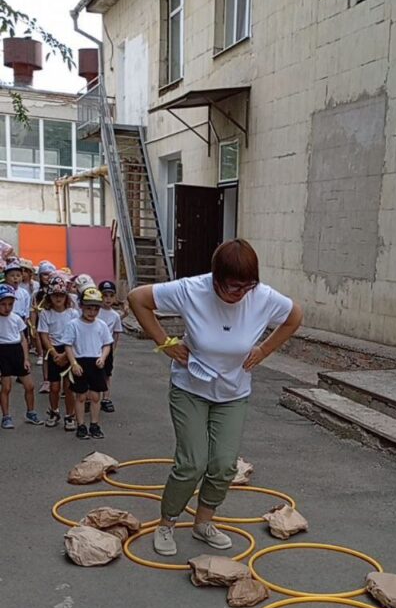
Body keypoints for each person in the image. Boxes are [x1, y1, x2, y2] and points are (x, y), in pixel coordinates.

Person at [128, 238, 303, 556]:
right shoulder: (190, 290)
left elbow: (295, 317)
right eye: (234, 287)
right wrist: (164, 341)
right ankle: (167, 524)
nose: (241, 294)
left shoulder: (261, 297)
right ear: (216, 280)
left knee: (223, 465)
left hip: (233, 393)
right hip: (190, 388)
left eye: (247, 286)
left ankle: (203, 523)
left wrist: (264, 349)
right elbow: (137, 299)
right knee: (192, 463)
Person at [64, 287, 113, 440]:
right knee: (80, 396)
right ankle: (81, 425)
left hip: (96, 362)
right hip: (80, 362)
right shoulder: (73, 324)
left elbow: (107, 344)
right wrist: (73, 363)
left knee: (95, 396)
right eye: (88, 308)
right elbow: (68, 345)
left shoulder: (101, 325)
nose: (92, 312)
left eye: (95, 308)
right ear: (81, 307)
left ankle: (94, 424)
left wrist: (103, 358)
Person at [37, 274, 78, 430]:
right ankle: (54, 412)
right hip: (53, 350)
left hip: (69, 350)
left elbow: (76, 335)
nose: (58, 298)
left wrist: (67, 355)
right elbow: (44, 335)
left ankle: (70, 415)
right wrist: (53, 353)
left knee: (69, 387)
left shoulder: (73, 314)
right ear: (50, 297)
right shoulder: (45, 314)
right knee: (54, 387)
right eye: (55, 295)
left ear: (66, 296)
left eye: (61, 295)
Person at [0, 283, 43, 429]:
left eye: (10, 304)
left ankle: (31, 412)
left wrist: (25, 358)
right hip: (2, 352)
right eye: (3, 304)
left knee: (29, 386)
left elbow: (23, 339)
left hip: (16, 351)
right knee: (6, 387)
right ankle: (6, 416)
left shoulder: (16, 318)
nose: (7, 307)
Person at [97, 280, 123, 413]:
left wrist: (113, 350)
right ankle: (91, 398)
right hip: (93, 347)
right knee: (93, 372)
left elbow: (116, 334)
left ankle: (105, 398)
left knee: (107, 374)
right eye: (104, 295)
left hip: (107, 348)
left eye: (110, 296)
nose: (108, 299)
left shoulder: (115, 316)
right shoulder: (95, 311)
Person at [31, 261, 57, 387]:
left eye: (50, 275)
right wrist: (33, 327)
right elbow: (33, 311)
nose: (47, 277)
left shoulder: (58, 292)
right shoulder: (37, 294)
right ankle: (46, 380)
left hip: (56, 326)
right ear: (40, 276)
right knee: (47, 353)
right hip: (43, 327)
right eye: (44, 275)